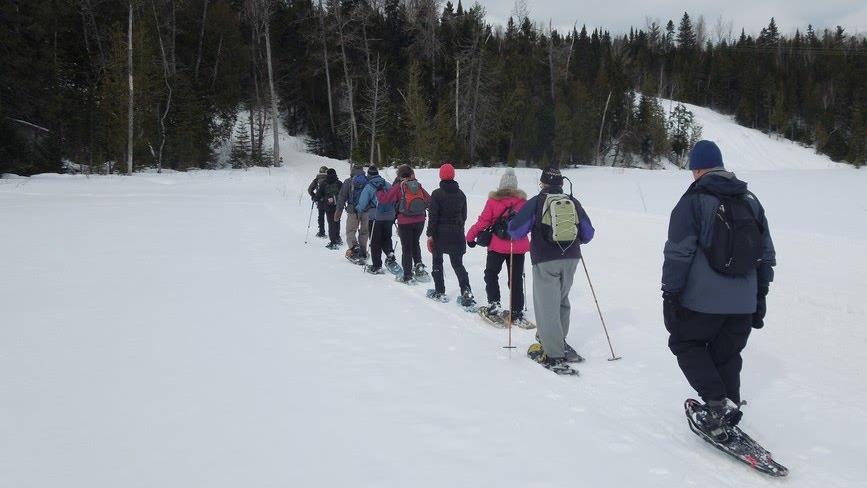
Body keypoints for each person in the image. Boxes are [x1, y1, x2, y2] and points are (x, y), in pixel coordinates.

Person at [662, 140, 776, 441]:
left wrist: (670, 293)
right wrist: (760, 293)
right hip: (744, 301)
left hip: (704, 300)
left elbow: (678, 252)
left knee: (684, 343)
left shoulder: (694, 200)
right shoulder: (749, 198)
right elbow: (766, 253)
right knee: (726, 354)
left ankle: (717, 404)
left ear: (698, 169)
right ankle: (729, 405)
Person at [508, 167, 595, 368]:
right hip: (571, 257)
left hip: (545, 259)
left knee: (546, 305)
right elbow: (588, 233)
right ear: (562, 183)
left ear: (542, 183)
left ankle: (554, 354)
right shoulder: (572, 202)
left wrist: (512, 219)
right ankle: (557, 340)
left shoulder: (536, 202)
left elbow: (516, 231)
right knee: (562, 301)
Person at [466, 168, 531, 325]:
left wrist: (470, 236)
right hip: (518, 247)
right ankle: (517, 311)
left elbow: (483, 221)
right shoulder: (524, 203)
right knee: (515, 279)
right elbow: (529, 225)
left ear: (501, 185)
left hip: (497, 246)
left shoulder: (493, 201)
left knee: (491, 274)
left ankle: (494, 304)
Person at [426, 164, 473, 305]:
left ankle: (439, 291)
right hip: (457, 234)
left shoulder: (436, 194)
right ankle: (466, 291)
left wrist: (430, 234)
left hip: (440, 235)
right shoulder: (461, 194)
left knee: (437, 262)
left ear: (440, 176)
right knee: (458, 264)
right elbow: (464, 216)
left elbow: (433, 217)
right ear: (453, 175)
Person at [377, 164, 430, 283]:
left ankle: (407, 276)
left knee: (406, 248)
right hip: (420, 220)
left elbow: (384, 200)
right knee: (415, 243)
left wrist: (379, 191)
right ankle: (419, 267)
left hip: (405, 221)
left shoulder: (399, 186)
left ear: (400, 175)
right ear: (411, 174)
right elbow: (429, 200)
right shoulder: (418, 185)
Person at [356, 165, 398, 274]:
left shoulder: (369, 186)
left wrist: (358, 210)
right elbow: (395, 199)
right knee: (387, 237)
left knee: (375, 241)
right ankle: (390, 253)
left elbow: (362, 204)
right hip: (389, 216)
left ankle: (377, 266)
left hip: (375, 217)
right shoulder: (387, 184)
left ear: (369, 175)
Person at [335, 165, 370, 262]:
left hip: (352, 210)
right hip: (366, 210)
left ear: (352, 171)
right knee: (364, 231)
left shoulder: (348, 181)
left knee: (351, 231)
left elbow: (342, 197)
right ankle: (363, 250)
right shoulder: (368, 180)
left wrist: (338, 211)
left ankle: (354, 248)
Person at [315, 168, 343, 249]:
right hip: (338, 206)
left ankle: (333, 242)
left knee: (331, 223)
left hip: (328, 206)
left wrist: (320, 199)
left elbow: (318, 196)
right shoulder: (339, 183)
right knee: (337, 221)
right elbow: (343, 194)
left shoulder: (324, 183)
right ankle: (337, 238)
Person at [308, 166, 328, 238]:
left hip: (320, 200)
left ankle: (321, 232)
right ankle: (333, 232)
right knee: (330, 216)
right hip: (329, 201)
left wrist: (314, 196)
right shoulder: (329, 179)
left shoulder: (317, 179)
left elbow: (309, 189)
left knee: (321, 216)